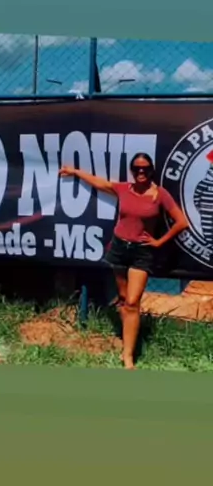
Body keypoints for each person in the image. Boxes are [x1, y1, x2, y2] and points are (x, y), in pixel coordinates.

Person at [59, 153, 189, 369]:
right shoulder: (123, 189)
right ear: (132, 170)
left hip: (142, 253)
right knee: (122, 297)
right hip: (119, 248)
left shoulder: (159, 194)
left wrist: (159, 242)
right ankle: (126, 333)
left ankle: (128, 356)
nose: (141, 172)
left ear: (151, 170)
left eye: (145, 168)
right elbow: (100, 183)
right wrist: (74, 172)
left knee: (132, 301)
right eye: (136, 168)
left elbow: (182, 222)